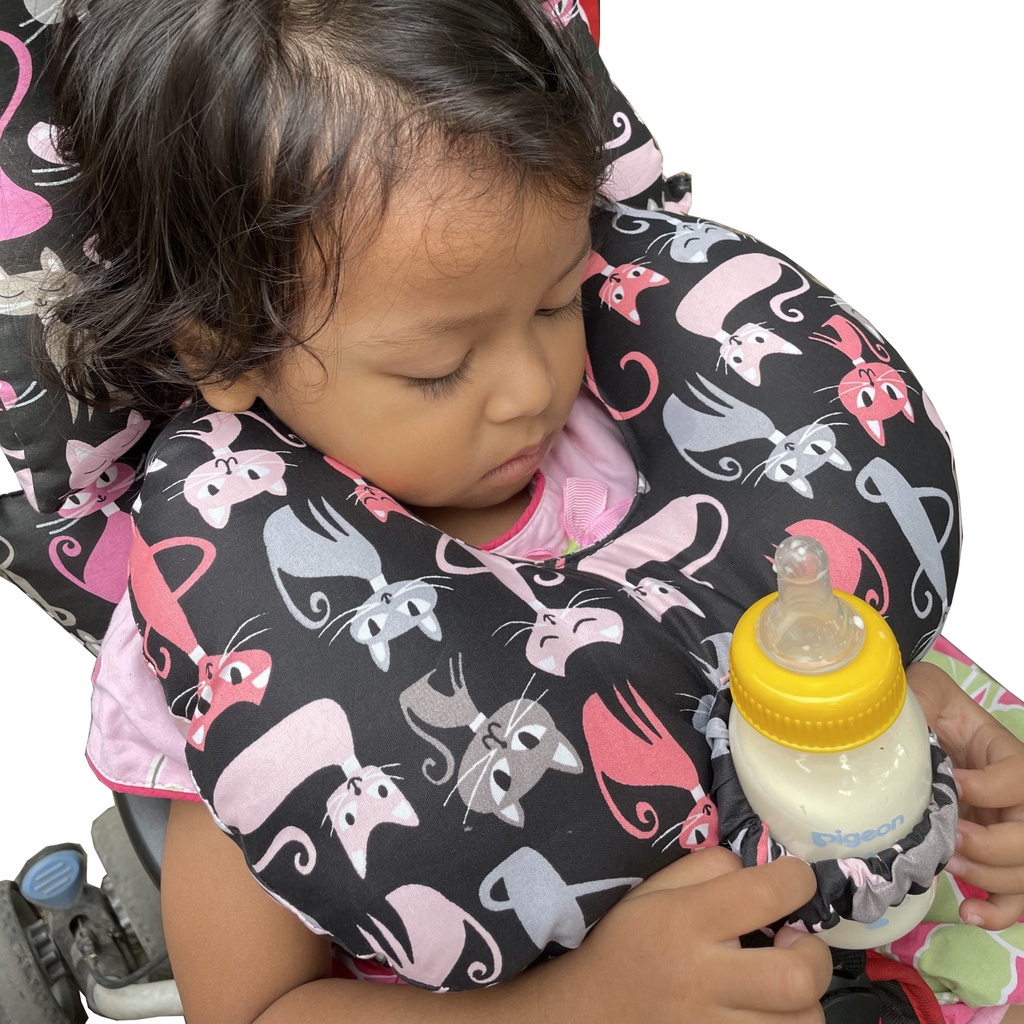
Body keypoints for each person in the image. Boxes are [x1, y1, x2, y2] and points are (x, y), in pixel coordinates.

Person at [42, 0, 1024, 1022]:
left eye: (557, 298)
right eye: (439, 366)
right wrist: (582, 1002)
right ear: (225, 346)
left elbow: (741, 623)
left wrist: (916, 717)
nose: (530, 388)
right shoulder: (240, 640)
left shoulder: (646, 441)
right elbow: (255, 1008)